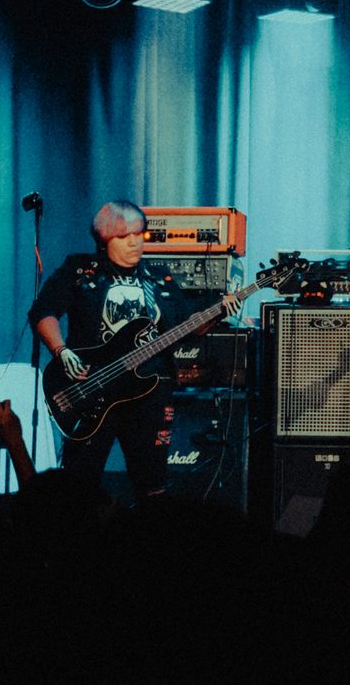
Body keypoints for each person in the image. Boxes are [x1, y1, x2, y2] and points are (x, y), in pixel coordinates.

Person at [29, 199, 238, 501]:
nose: (135, 243)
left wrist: (218, 311)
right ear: (104, 240)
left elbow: (189, 326)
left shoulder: (158, 278)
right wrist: (61, 351)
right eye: (124, 236)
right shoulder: (80, 270)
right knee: (78, 484)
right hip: (92, 389)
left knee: (152, 484)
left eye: (140, 234)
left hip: (149, 394)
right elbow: (43, 311)